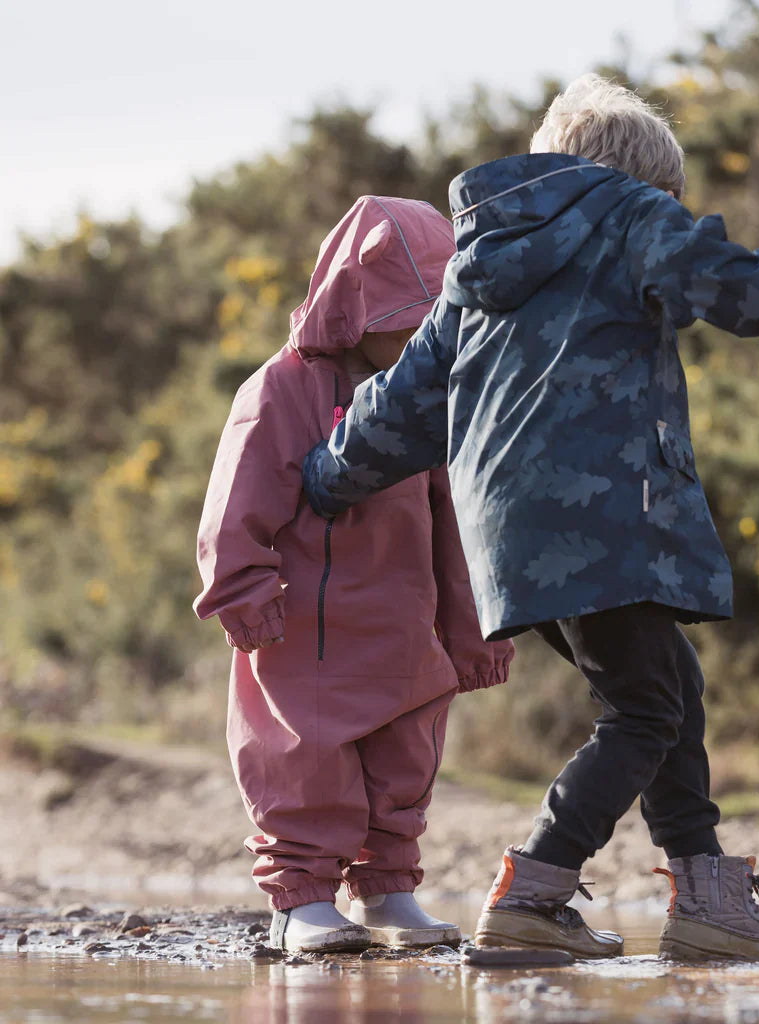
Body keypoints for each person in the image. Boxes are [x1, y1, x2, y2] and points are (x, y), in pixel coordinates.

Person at [302, 75, 759, 962]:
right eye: (673, 198)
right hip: (609, 516)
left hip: (511, 534)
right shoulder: (632, 217)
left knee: (666, 689)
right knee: (645, 709)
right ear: (643, 181)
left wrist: (325, 475)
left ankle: (706, 893)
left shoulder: (475, 265)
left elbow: (406, 403)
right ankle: (535, 889)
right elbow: (726, 281)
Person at [194, 196, 514, 955]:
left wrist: (474, 636)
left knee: (405, 759)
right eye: (405, 322)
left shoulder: (428, 402)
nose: (420, 340)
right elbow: (235, 504)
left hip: (405, 628)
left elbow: (455, 525)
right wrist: (241, 591)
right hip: (304, 632)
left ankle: (388, 890)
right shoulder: (281, 390)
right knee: (304, 760)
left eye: (435, 322)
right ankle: (302, 899)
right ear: (353, 310)